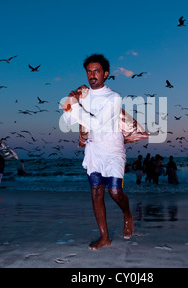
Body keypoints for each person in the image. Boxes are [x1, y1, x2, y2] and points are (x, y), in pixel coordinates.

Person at [62, 53, 134, 250]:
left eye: (96, 71)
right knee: (96, 193)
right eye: (88, 71)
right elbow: (68, 120)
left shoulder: (114, 97)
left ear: (105, 74)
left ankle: (127, 214)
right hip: (94, 151)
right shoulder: (82, 95)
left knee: (114, 191)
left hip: (112, 150)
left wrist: (77, 105)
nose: (92, 75)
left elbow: (96, 123)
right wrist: (72, 99)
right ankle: (105, 238)